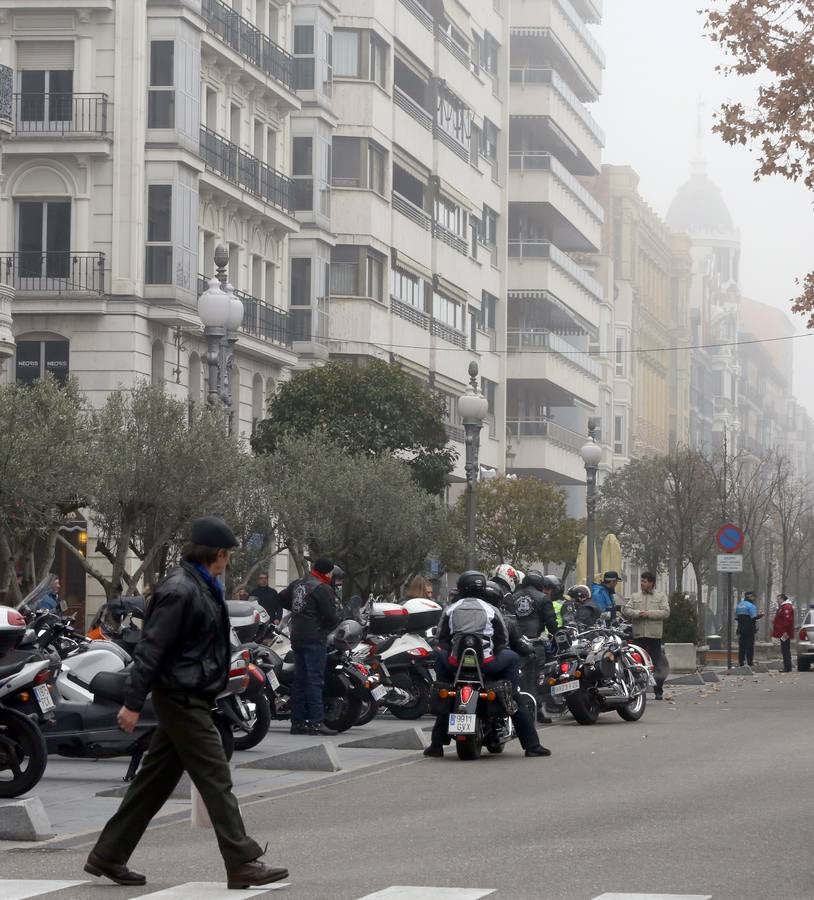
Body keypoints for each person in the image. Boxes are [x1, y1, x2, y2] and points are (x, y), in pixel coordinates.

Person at [85, 517, 287, 890]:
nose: (229, 562)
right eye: (229, 555)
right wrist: (132, 703)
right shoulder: (181, 589)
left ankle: (108, 854)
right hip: (180, 698)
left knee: (153, 783)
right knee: (215, 776)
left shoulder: (201, 586)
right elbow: (151, 648)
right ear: (219, 554)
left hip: (190, 694)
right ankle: (242, 860)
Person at [423, 570, 550, 759]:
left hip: (455, 666)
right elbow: (502, 641)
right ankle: (531, 746)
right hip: (488, 664)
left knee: (446, 686)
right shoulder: (491, 610)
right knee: (513, 686)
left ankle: (435, 745)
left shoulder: (450, 609)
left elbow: (442, 640)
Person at [279, 558, 341, 736]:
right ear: (327, 573)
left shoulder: (299, 583)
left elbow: (282, 598)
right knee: (315, 680)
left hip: (297, 637)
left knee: (299, 680)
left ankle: (297, 722)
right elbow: (331, 616)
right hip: (315, 638)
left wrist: (299, 610)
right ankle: (316, 722)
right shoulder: (322, 588)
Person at [511, 571, 560, 723]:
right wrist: (558, 637)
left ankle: (515, 708)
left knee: (515, 677)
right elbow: (551, 622)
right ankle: (536, 710)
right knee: (534, 678)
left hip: (515, 643)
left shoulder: (513, 597)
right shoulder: (543, 598)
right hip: (535, 643)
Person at [622, 572, 670, 700]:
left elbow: (665, 612)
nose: (641, 583)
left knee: (656, 663)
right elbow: (626, 610)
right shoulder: (635, 596)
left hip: (654, 636)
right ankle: (638, 689)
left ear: (651, 583)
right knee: (637, 663)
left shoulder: (660, 597)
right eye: (641, 581)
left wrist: (649, 613)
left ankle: (658, 690)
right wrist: (637, 613)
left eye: (644, 581)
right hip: (639, 635)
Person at [735, 591, 762, 667]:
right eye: (754, 597)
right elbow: (754, 617)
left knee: (741, 646)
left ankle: (741, 662)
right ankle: (750, 662)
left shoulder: (739, 605)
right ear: (751, 597)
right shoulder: (751, 606)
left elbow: (736, 618)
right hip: (749, 629)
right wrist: (760, 615)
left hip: (740, 629)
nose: (754, 599)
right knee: (749, 646)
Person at [772, 593, 795, 673]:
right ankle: (787, 667)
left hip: (785, 633)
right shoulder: (783, 607)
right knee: (784, 649)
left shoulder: (787, 607)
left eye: (778, 599)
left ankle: (787, 668)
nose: (777, 600)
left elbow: (787, 620)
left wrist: (785, 631)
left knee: (785, 650)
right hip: (783, 632)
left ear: (782, 599)